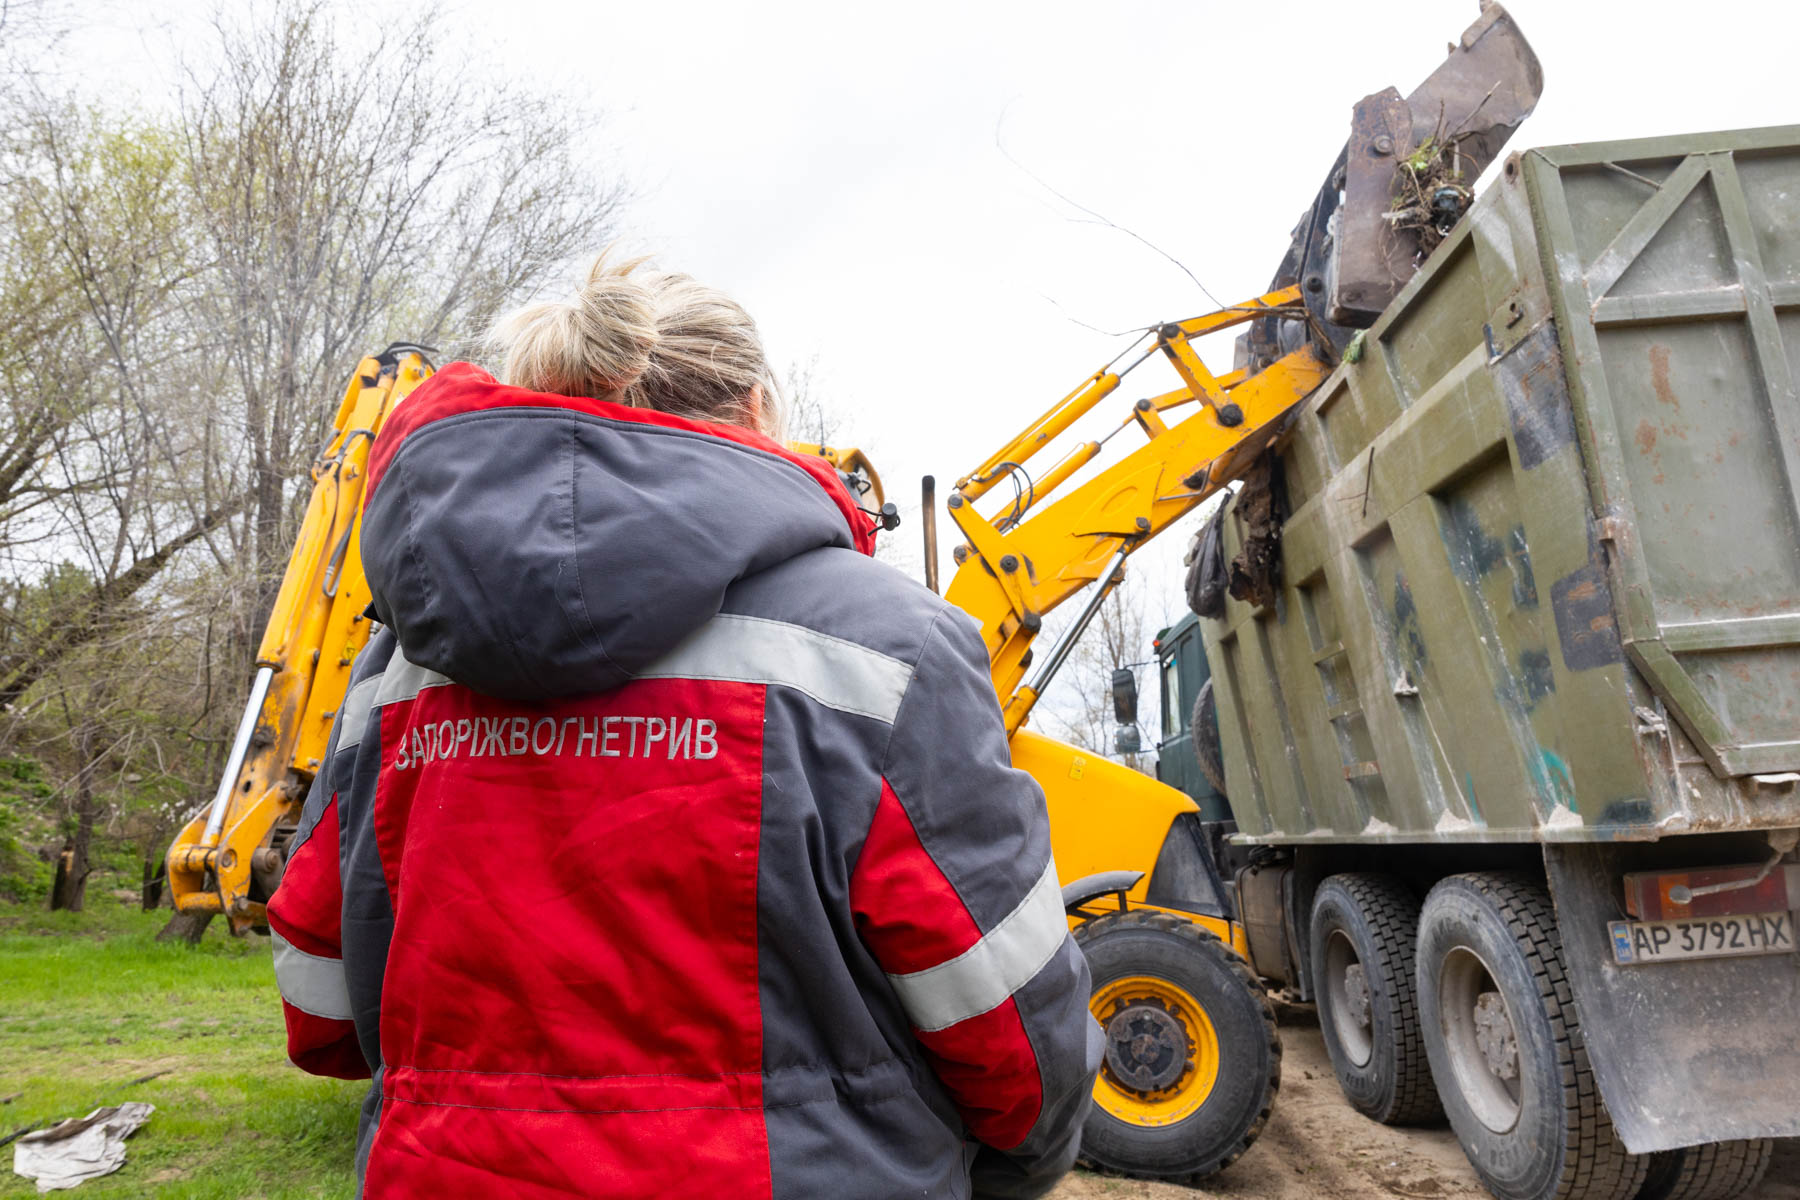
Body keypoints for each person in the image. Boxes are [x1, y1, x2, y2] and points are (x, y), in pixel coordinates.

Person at [266, 252, 1103, 1199]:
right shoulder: (888, 648)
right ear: (754, 410)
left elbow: (321, 1004)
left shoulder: (393, 674)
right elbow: (1012, 1035)